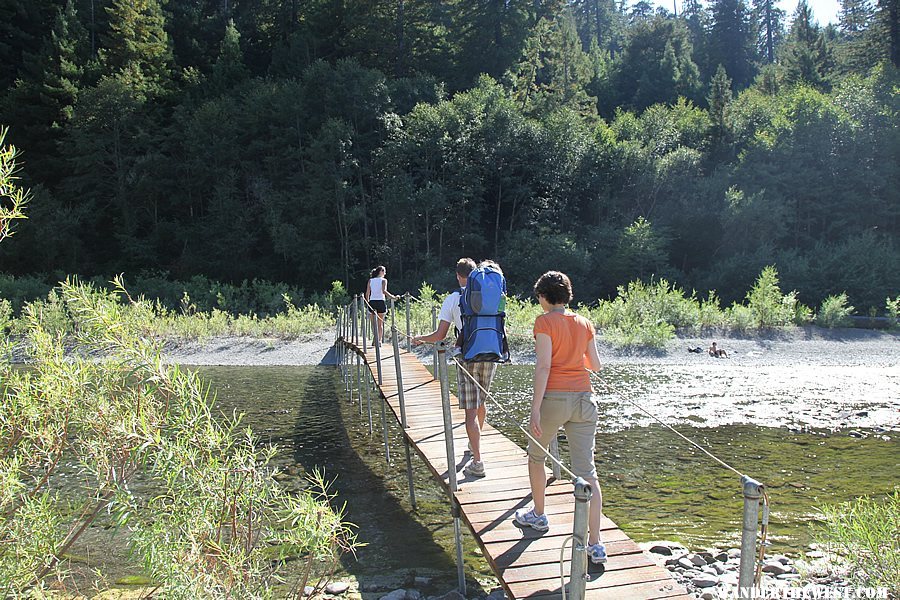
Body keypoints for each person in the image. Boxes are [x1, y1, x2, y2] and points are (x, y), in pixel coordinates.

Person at [513, 270, 607, 565]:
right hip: (583, 399)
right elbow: (596, 365)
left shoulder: (544, 322)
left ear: (543, 297)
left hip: (553, 398)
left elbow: (543, 367)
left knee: (536, 457)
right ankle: (596, 543)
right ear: (566, 296)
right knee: (587, 471)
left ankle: (539, 515)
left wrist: (535, 408)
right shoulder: (585, 322)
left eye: (538, 297)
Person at [412, 258, 496, 478]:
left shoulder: (453, 299)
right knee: (481, 402)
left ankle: (478, 461)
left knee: (470, 410)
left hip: (467, 354)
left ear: (458, 276)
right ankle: (474, 443)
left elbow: (440, 336)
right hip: (490, 353)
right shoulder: (489, 294)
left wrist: (420, 338)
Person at [365, 265, 398, 345]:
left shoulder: (370, 280)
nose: (385, 273)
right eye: (384, 271)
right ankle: (379, 341)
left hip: (372, 302)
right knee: (380, 324)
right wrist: (393, 297)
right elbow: (384, 291)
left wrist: (368, 302)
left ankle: (375, 338)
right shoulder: (384, 280)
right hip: (380, 302)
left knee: (373, 324)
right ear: (381, 272)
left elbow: (367, 293)